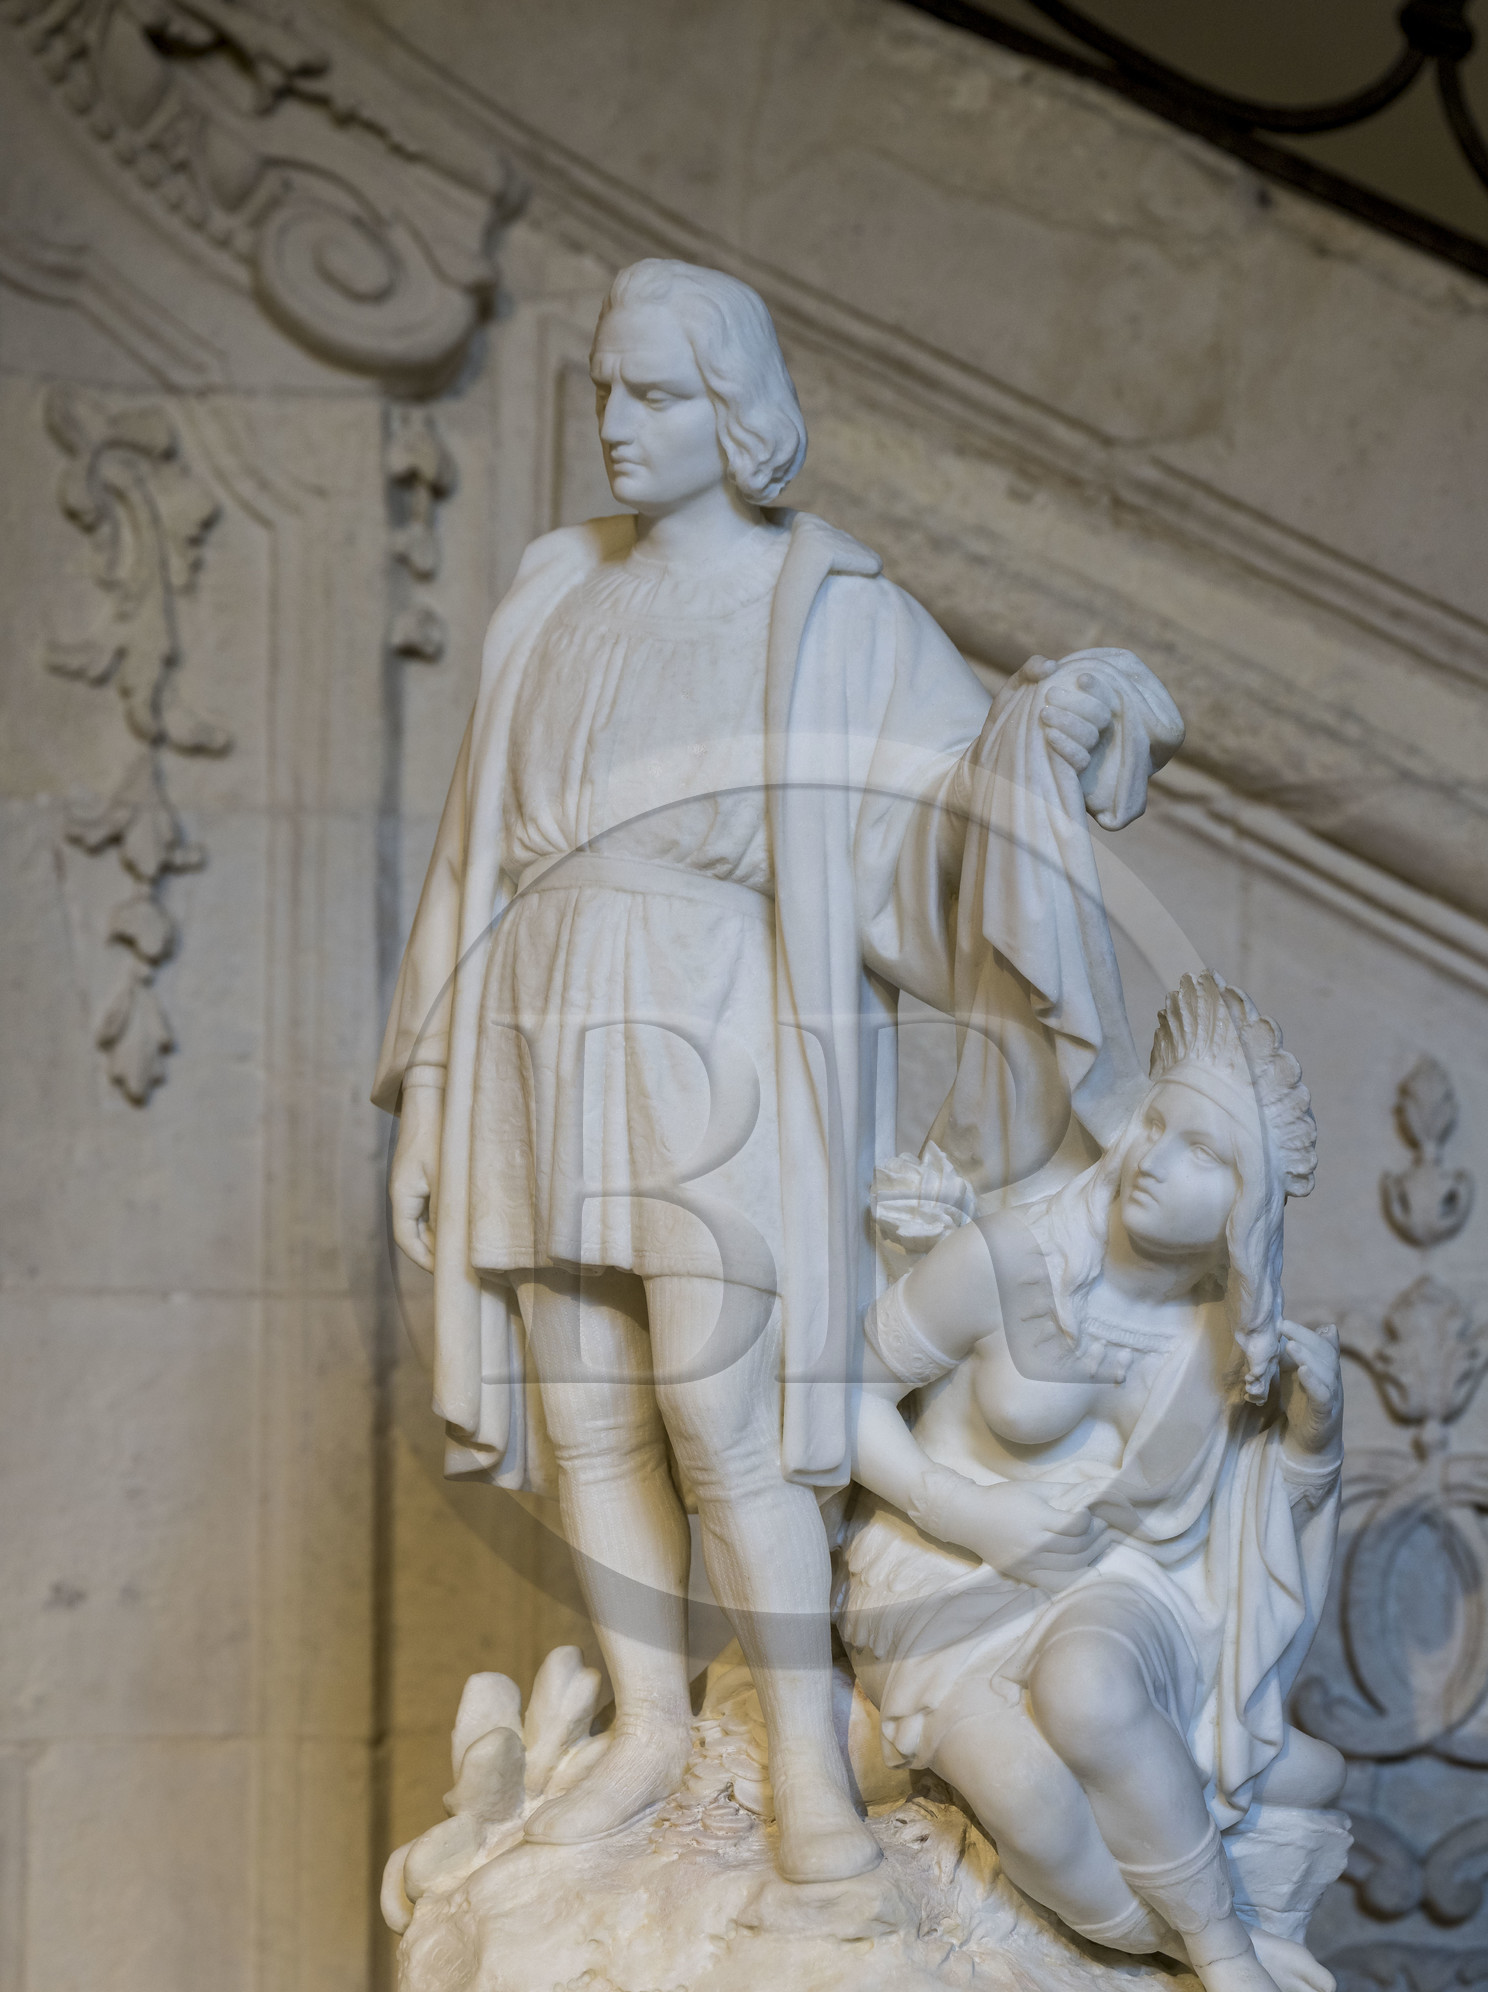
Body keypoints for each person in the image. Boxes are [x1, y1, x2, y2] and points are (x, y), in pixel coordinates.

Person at [373, 258, 1181, 1882]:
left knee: (721, 1407)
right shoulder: (547, 592)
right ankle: (659, 1730)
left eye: (658, 395)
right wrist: (433, 1084)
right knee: (587, 1408)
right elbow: (469, 865)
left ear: (739, 416)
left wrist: (1058, 715)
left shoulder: (831, 610)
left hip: (709, 1004)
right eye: (606, 387)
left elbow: (947, 818)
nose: (618, 421)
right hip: (538, 1005)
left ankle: (808, 1763)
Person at [840, 973, 1347, 1992]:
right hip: (936, 1573)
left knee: (1092, 1691)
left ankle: (1222, 1959)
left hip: (1117, 1579)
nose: (1156, 1157)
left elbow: (1239, 1545)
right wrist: (968, 1511)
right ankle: (1187, 1945)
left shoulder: (1221, 1342)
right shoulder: (1009, 1256)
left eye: (1203, 1153)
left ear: (1244, 1207)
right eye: (1156, 1123)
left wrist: (1313, 1445)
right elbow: (834, 1394)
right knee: (1024, 1795)